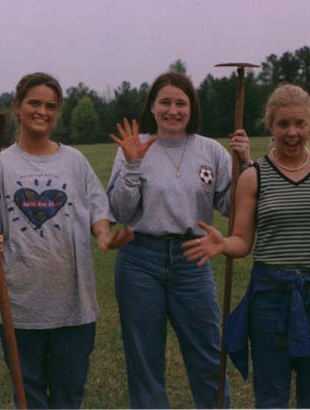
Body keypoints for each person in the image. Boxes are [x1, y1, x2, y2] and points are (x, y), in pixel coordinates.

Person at [182, 83, 310, 408]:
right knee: (271, 395)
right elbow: (242, 240)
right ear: (270, 126)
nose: (292, 132)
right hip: (270, 297)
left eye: (300, 123)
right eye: (283, 124)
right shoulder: (254, 176)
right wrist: (223, 243)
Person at [0, 72, 131, 409]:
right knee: (29, 394)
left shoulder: (75, 162)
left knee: (69, 395)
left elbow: (97, 211)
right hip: (16, 304)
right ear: (17, 107)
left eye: (51, 106)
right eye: (35, 103)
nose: (43, 111)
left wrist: (103, 235)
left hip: (73, 304)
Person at [106, 71, 252, 409]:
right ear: (153, 108)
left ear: (192, 108)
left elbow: (232, 207)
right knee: (144, 358)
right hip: (140, 260)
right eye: (165, 102)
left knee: (207, 355)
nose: (173, 110)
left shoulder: (211, 151)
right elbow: (120, 212)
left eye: (181, 103)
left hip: (193, 259)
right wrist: (131, 164)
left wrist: (244, 164)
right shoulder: (135, 146)